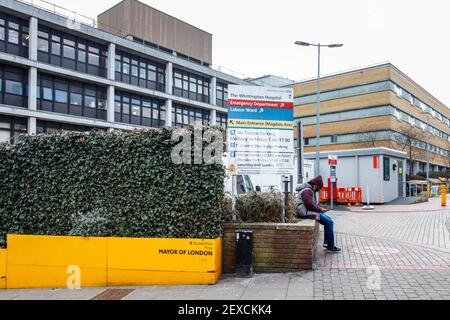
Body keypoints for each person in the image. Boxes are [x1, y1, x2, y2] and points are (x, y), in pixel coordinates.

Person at [296, 176, 341, 253]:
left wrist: (320, 209)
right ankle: (330, 246)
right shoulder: (307, 191)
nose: (318, 190)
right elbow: (309, 205)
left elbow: (311, 204)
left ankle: (328, 244)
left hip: (307, 210)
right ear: (315, 185)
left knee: (329, 220)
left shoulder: (309, 190)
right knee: (329, 222)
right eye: (319, 188)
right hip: (305, 212)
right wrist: (320, 209)